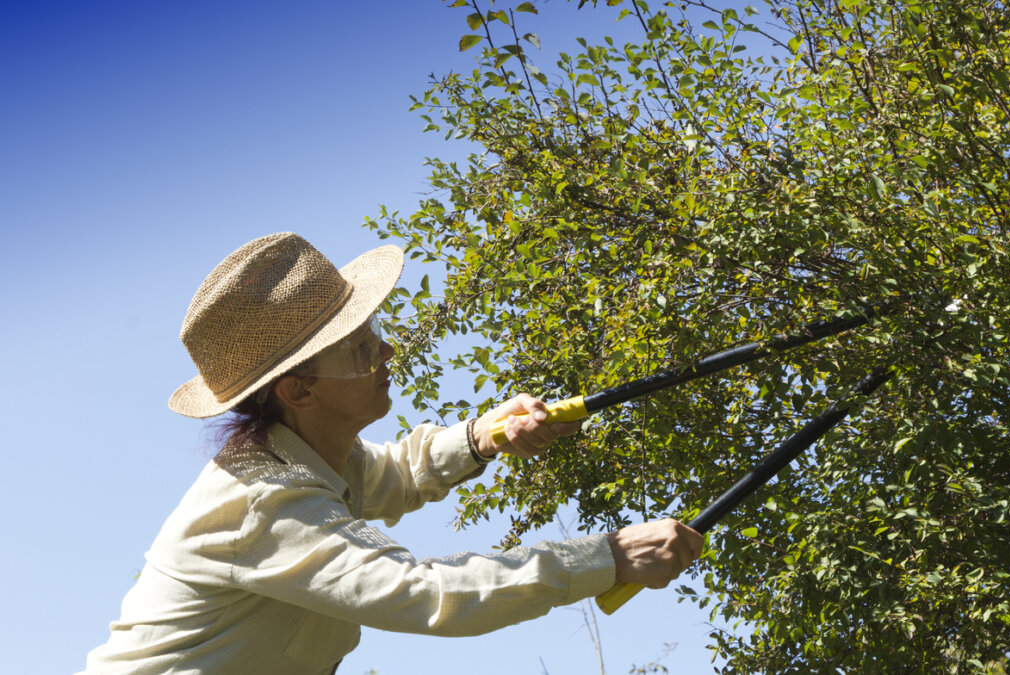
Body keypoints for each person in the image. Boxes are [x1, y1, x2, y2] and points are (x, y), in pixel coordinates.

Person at [81, 233, 703, 674]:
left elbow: (394, 473)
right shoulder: (265, 503)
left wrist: (485, 434)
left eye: (371, 334)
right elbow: (428, 593)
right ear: (298, 391)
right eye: (357, 348)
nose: (386, 352)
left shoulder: (315, 457)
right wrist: (606, 558)